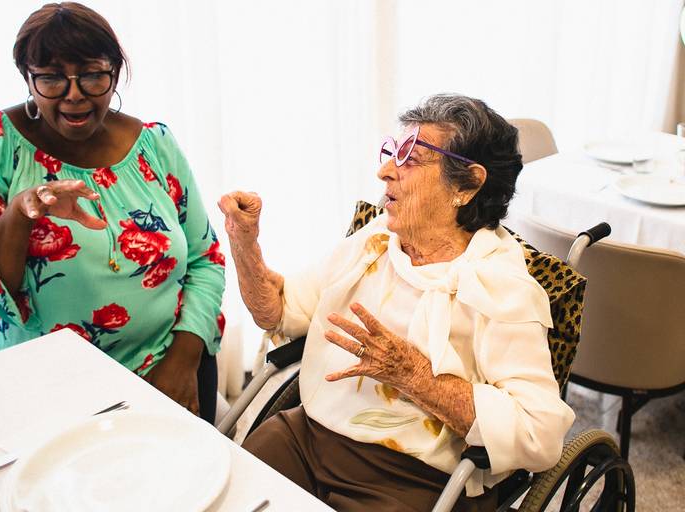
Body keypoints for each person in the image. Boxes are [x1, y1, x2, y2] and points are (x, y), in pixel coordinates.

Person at [219, 94, 574, 510]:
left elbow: (539, 432)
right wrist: (244, 242)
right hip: (308, 436)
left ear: (467, 184)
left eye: (410, 158)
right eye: (391, 151)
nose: (385, 171)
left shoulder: (502, 286)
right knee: (230, 491)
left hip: (412, 475)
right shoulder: (375, 240)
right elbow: (277, 311)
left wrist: (416, 377)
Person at [0, 2, 225, 424]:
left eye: (91, 74)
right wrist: (20, 215)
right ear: (27, 78)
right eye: (52, 77)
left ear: (115, 74)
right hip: (38, 397)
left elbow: (206, 259)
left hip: (166, 371)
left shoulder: (156, 144)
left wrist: (183, 360)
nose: (74, 94)